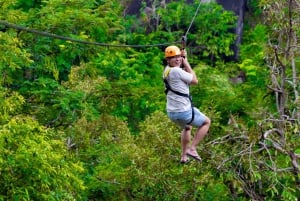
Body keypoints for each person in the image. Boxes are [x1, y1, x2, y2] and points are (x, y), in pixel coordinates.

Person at [163, 45, 211, 164]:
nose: (177, 59)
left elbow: (182, 74)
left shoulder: (166, 70)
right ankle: (192, 148)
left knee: (187, 127)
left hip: (172, 113)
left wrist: (183, 59)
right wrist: (187, 62)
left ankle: (184, 157)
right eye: (174, 57)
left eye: (178, 57)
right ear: (168, 60)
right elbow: (195, 81)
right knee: (206, 122)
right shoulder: (176, 71)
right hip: (184, 112)